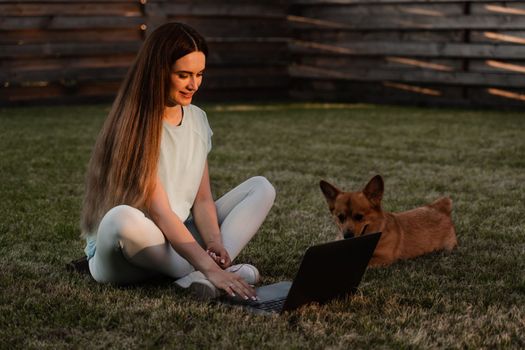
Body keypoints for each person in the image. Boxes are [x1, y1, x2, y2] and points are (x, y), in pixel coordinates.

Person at [80, 22, 275, 301]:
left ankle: (203, 271)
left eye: (199, 74)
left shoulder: (197, 118)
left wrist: (214, 243)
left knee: (261, 188)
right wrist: (209, 265)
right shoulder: (135, 124)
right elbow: (159, 213)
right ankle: (207, 272)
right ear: (159, 72)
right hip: (127, 252)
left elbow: (203, 200)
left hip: (175, 242)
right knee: (120, 218)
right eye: (183, 75)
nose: (193, 84)